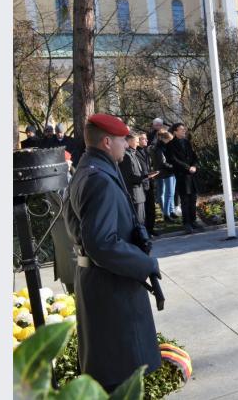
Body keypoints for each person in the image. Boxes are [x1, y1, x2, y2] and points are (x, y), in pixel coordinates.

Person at [63, 113, 162, 392]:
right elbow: (101, 243)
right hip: (111, 290)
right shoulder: (100, 180)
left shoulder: (90, 170)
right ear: (107, 142)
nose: (126, 144)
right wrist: (145, 263)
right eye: (122, 139)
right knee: (121, 380)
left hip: (101, 284)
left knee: (114, 374)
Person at [166, 123, 201, 234]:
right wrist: (187, 167)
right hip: (182, 175)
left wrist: (194, 166)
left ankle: (193, 220)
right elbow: (173, 159)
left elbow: (194, 156)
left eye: (184, 129)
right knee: (185, 200)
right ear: (175, 131)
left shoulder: (187, 142)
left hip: (192, 175)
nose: (184, 131)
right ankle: (187, 223)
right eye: (181, 129)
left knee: (193, 199)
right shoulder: (171, 145)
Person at [119, 133, 147, 225]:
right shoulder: (126, 156)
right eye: (136, 141)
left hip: (139, 192)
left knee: (142, 219)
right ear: (129, 142)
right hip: (134, 193)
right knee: (137, 221)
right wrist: (145, 177)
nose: (138, 143)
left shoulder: (133, 154)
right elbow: (128, 176)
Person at [137, 132, 159, 236]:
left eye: (146, 139)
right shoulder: (135, 152)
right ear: (138, 140)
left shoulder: (147, 151)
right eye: (143, 139)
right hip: (142, 182)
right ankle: (146, 230)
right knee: (145, 209)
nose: (146, 140)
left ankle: (151, 228)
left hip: (150, 181)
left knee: (151, 207)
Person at [152, 130, 177, 222]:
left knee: (172, 193)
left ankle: (171, 211)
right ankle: (166, 214)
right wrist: (174, 167)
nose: (170, 142)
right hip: (166, 172)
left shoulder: (165, 146)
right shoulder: (158, 148)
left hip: (171, 171)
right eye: (169, 140)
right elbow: (163, 163)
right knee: (168, 194)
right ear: (163, 139)